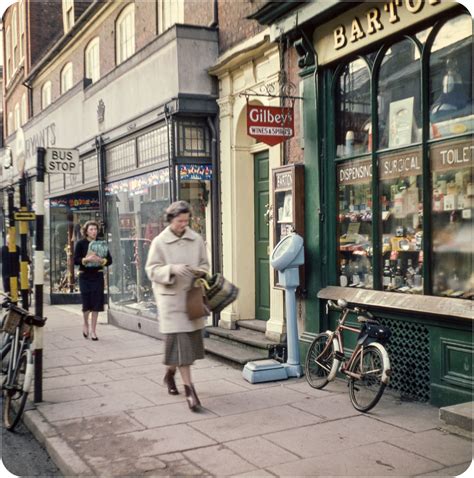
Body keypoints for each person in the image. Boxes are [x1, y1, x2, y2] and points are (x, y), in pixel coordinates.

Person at [145, 200, 209, 412]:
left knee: (184, 347)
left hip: (191, 299)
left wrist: (199, 272)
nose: (184, 224)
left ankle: (169, 374)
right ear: (170, 220)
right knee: (181, 346)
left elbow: (205, 265)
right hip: (171, 300)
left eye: (186, 220)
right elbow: (151, 270)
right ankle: (190, 391)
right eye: (180, 221)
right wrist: (172, 269)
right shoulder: (159, 242)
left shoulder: (196, 239)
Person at [73, 221, 112, 341]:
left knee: (96, 304)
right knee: (86, 304)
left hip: (97, 276)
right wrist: (86, 259)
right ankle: (85, 323)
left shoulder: (101, 243)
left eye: (95, 229)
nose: (94, 231)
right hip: (85, 276)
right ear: (86, 231)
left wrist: (101, 261)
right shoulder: (81, 243)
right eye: (91, 229)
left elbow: (109, 260)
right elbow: (75, 260)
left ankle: (94, 331)